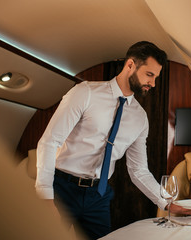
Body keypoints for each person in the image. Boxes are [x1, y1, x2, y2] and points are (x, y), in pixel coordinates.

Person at [36, 41, 170, 239]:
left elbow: (138, 170)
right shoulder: (85, 93)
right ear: (130, 65)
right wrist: (45, 197)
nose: (153, 83)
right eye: (149, 75)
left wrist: (167, 202)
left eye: (156, 77)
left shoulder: (140, 118)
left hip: (98, 194)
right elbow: (50, 142)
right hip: (62, 189)